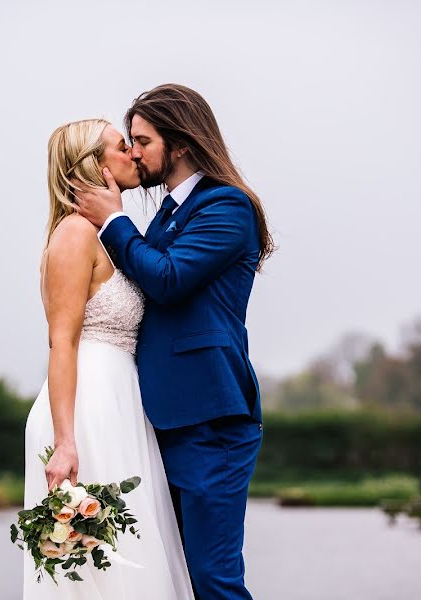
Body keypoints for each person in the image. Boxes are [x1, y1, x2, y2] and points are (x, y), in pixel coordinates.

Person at [75, 84, 274, 600]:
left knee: (214, 580)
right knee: (175, 578)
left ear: (180, 142)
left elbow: (167, 278)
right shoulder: (166, 214)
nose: (133, 153)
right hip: (164, 418)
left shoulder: (227, 206)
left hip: (211, 419)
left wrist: (113, 221)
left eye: (142, 140)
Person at [23, 118, 195, 599]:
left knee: (135, 561)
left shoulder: (111, 236)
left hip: (124, 406)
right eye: (123, 146)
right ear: (96, 165)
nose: (134, 154)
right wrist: (64, 441)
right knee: (99, 567)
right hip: (87, 411)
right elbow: (62, 342)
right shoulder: (75, 234)